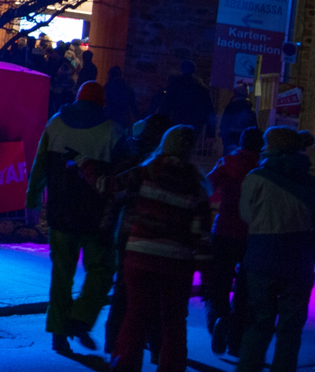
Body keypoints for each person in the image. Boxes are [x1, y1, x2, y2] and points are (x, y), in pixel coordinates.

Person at [89, 125, 211, 372]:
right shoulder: (196, 187)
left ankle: (125, 365)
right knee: (174, 323)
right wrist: (205, 269)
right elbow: (201, 235)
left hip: (140, 255)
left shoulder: (146, 172)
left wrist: (85, 165)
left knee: (135, 315)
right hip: (176, 262)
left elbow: (107, 185)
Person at [26, 79, 118, 352]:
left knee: (62, 275)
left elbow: (40, 166)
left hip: (60, 214)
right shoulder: (112, 130)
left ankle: (58, 332)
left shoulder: (55, 124)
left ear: (78, 97)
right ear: (102, 101)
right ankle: (80, 318)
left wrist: (32, 199)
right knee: (102, 271)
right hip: (95, 217)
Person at [234, 126, 315, 372]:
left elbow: (246, 215)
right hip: (299, 262)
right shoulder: (310, 183)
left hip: (262, 258)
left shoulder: (256, 178)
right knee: (290, 329)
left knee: (259, 323)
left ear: (272, 147)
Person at [206, 126, 265, 357]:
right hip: (252, 235)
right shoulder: (263, 168)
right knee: (244, 289)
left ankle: (218, 321)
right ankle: (235, 339)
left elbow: (209, 186)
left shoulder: (227, 162)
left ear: (241, 142)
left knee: (219, 282)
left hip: (223, 229)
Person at [162, 61, 214, 134]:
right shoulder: (201, 88)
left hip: (177, 122)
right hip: (195, 124)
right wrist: (210, 132)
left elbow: (166, 106)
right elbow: (209, 110)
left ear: (181, 69)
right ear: (194, 70)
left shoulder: (175, 85)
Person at [223, 88, 261, 155]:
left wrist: (223, 134)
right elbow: (253, 125)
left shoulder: (230, 107)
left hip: (231, 135)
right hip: (245, 136)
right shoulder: (250, 108)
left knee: (230, 154)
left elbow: (224, 122)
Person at [105, 65, 139, 131]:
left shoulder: (108, 87)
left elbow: (104, 103)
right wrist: (139, 118)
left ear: (110, 75)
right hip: (123, 120)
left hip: (109, 119)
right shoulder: (128, 88)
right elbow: (134, 106)